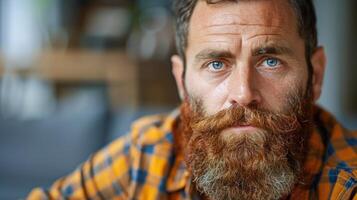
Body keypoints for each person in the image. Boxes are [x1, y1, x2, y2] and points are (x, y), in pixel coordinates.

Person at [28, 0, 357, 199]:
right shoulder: (150, 154)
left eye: (270, 61)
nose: (242, 93)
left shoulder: (346, 184)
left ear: (315, 74)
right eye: (216, 64)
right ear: (181, 81)